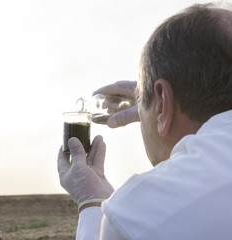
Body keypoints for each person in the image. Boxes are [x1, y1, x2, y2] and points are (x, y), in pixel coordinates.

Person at [57, 2, 232, 239]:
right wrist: (159, 103)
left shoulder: (139, 213)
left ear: (162, 100)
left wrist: (91, 202)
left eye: (145, 101)